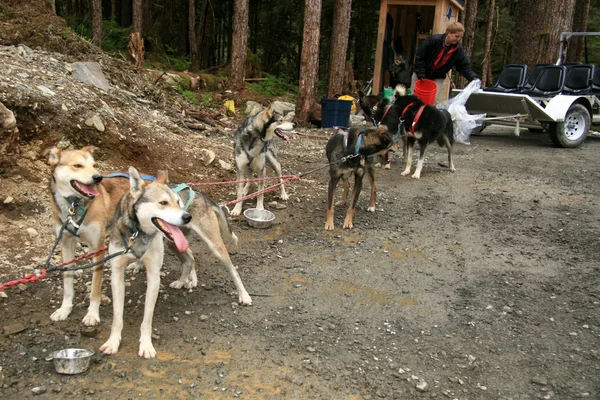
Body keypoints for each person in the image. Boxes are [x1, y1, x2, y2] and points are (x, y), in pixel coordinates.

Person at [412, 22, 478, 103]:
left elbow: (463, 66)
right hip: (420, 74)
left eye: (460, 37)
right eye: (456, 36)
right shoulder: (433, 40)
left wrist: (473, 77)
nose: (458, 39)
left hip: (438, 76)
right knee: (414, 100)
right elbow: (420, 57)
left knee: (433, 101)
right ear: (449, 33)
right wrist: (421, 73)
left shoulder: (458, 49)